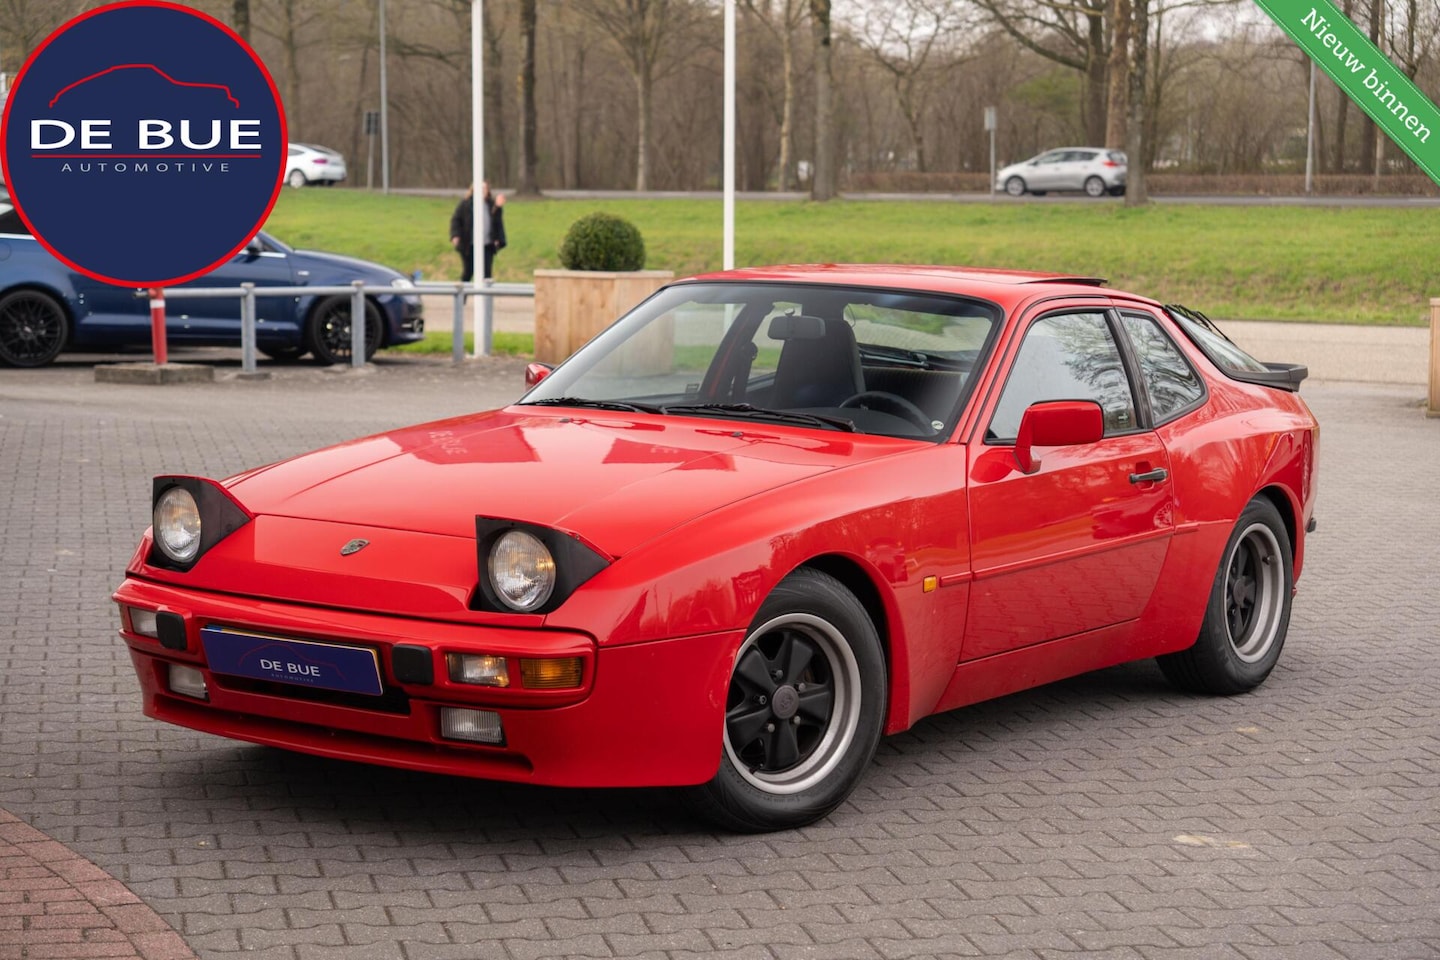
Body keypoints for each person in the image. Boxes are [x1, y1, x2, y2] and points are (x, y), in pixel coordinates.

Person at [449, 182, 507, 282]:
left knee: (487, 274)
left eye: (484, 188)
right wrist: (455, 235)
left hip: (487, 244)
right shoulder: (466, 204)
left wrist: (498, 239)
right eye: (479, 188)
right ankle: (461, 296)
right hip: (469, 245)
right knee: (468, 271)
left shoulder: (491, 205)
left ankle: (486, 297)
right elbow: (456, 220)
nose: (482, 191)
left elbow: (497, 222)